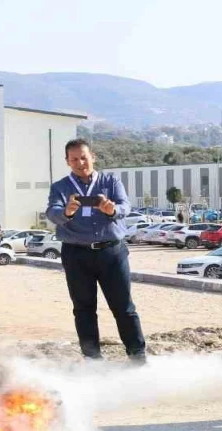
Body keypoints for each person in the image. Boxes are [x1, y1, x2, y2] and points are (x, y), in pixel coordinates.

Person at [45, 139, 147, 362]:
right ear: (67, 162)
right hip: (76, 254)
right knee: (83, 309)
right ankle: (93, 359)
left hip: (112, 252)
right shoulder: (60, 187)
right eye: (74, 159)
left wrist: (112, 210)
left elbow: (125, 206)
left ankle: (137, 356)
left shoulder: (111, 181)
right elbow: (52, 212)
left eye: (84, 157)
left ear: (93, 157)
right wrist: (67, 212)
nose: (80, 163)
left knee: (123, 306)